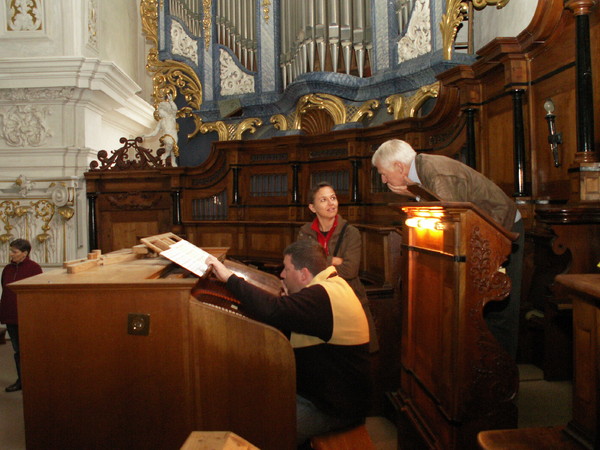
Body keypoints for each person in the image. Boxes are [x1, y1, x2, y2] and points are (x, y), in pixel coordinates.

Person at [206, 239, 371, 447]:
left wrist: (229, 278)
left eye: (286, 268)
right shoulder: (330, 285)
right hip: (326, 397)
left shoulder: (322, 295)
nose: (282, 275)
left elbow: (273, 309)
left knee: (261, 428)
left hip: (335, 409)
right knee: (254, 406)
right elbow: (285, 320)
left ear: (303, 274)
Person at [372, 139, 524, 359]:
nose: (384, 179)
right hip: (481, 233)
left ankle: (500, 374)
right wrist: (411, 194)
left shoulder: (435, 171)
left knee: (499, 308)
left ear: (399, 166)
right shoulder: (422, 170)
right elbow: (441, 206)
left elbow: (451, 218)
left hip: (504, 230)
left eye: (383, 173)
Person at [297, 181, 378, 352]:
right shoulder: (305, 232)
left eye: (333, 198)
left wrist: (318, 263)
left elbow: (350, 270)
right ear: (312, 207)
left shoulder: (351, 232)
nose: (331, 203)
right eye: (324, 200)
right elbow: (302, 267)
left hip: (349, 302)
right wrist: (332, 260)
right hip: (319, 303)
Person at [0, 239, 43, 392]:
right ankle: (21, 381)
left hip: (27, 316)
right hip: (10, 315)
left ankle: (34, 380)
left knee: (29, 350)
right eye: (10, 251)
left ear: (25, 253)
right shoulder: (7, 269)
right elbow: (4, 289)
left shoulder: (34, 269)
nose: (11, 254)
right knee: (17, 350)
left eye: (14, 252)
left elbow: (37, 294)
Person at [144, 94, 179, 167]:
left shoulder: (171, 117)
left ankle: (172, 160)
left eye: (160, 112)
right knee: (169, 143)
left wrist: (171, 101)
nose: (159, 114)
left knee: (173, 148)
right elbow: (155, 132)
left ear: (165, 111)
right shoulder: (161, 122)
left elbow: (175, 109)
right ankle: (166, 154)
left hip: (173, 134)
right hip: (166, 136)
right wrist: (146, 135)